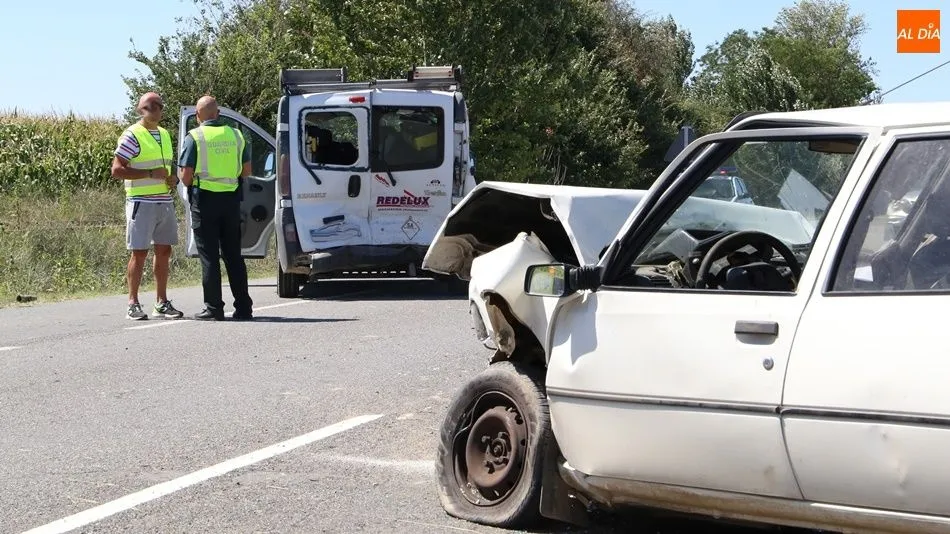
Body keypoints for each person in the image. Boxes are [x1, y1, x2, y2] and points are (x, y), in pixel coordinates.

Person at [177, 95, 253, 321]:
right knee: (233, 256)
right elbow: (247, 171)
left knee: (209, 257)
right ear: (217, 114)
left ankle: (214, 308)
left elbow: (186, 177)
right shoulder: (236, 135)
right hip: (231, 201)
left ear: (197, 116)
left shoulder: (194, 137)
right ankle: (244, 308)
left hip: (205, 201)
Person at [111, 92, 184, 320]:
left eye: (158, 105)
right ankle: (132, 303)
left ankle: (161, 302)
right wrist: (150, 173)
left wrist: (173, 178)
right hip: (141, 201)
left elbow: (167, 167)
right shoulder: (132, 135)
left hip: (164, 200)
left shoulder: (164, 134)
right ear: (141, 110)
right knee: (139, 252)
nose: (155, 109)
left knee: (164, 251)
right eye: (149, 106)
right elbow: (116, 170)